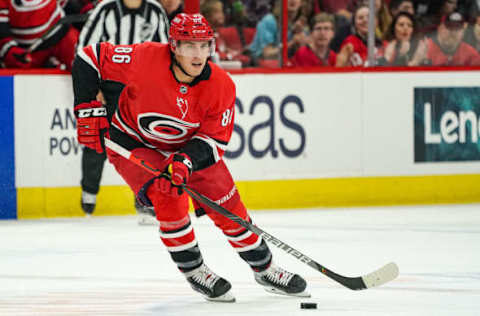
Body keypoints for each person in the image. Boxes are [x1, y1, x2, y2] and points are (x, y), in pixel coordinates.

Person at [72, 13, 309, 302]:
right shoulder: (144, 58)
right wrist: (86, 107)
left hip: (188, 148)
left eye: (204, 46)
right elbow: (89, 57)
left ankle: (266, 268)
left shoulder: (221, 86)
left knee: (228, 204)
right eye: (189, 46)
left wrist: (184, 161)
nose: (198, 54)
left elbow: (213, 140)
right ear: (173, 45)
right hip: (132, 140)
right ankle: (195, 271)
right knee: (168, 195)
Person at [76, 0, 170, 224]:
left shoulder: (155, 11)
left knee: (144, 144)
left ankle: (144, 202)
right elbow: (85, 47)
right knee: (99, 137)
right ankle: (89, 196)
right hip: (108, 87)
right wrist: (93, 86)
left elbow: (167, 53)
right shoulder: (106, 9)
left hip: (142, 90)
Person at [0, 0, 79, 69]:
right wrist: (9, 49)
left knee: (76, 51)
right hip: (27, 50)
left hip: (58, 35)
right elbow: (3, 34)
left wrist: (84, 10)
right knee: (17, 62)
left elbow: (69, 5)